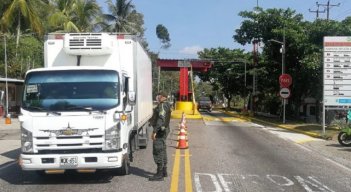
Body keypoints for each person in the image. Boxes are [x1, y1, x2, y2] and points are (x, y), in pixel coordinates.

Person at [149, 91, 172, 181]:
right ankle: (164, 170)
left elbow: (161, 119)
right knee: (162, 149)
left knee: (158, 150)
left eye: (158, 96)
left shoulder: (162, 106)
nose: (157, 97)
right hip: (164, 130)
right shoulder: (167, 105)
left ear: (162, 97)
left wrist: (155, 131)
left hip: (160, 131)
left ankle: (159, 173)